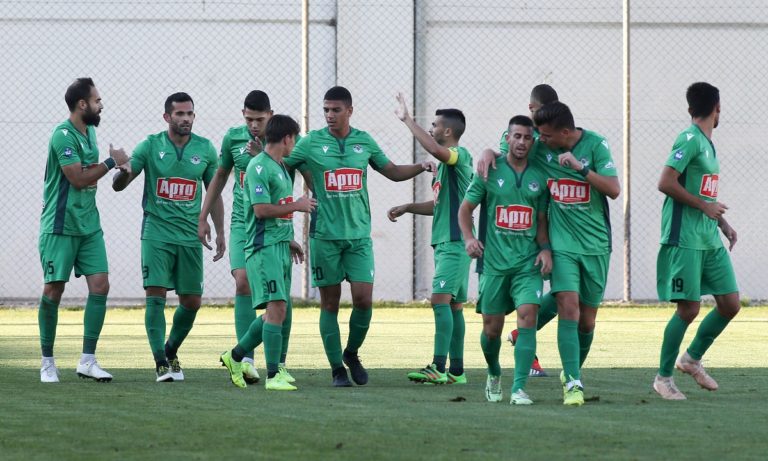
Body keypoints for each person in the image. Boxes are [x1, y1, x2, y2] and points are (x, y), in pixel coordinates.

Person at [284, 86, 434, 387]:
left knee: (364, 300)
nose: (329, 115)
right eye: (326, 110)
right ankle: (336, 370)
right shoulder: (310, 142)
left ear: (349, 111)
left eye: (336, 110)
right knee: (330, 304)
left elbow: (391, 171)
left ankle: (351, 353)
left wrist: (420, 166)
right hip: (324, 236)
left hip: (359, 237)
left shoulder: (363, 141)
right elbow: (282, 167)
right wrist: (287, 203)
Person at [478, 101, 620, 406]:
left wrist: (581, 168)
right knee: (568, 306)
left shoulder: (596, 145)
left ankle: (571, 370)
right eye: (537, 136)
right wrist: (488, 152)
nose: (539, 140)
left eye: (545, 135)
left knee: (587, 322)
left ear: (564, 133)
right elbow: (510, 149)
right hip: (561, 245)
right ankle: (573, 383)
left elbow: (613, 189)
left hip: (596, 245)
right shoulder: (541, 147)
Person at [112, 92, 224, 382]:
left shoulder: (205, 149)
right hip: (156, 233)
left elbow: (214, 193)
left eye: (190, 114)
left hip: (190, 236)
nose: (186, 119)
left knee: (192, 301)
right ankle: (160, 362)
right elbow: (119, 185)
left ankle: (170, 350)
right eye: (180, 114)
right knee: (156, 295)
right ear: (167, 117)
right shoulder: (150, 145)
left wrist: (220, 230)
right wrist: (122, 171)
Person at [199, 90, 295, 385]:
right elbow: (220, 175)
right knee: (242, 282)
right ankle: (247, 362)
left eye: (259, 119)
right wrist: (203, 217)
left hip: (275, 225)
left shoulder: (283, 142)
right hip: (245, 224)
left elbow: (290, 177)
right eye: (249, 119)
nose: (254, 125)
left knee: (281, 298)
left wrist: (264, 158)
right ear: (243, 115)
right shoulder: (233, 139)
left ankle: (277, 363)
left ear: (270, 116)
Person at [652, 82, 740, 400]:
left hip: (708, 237)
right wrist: (704, 207)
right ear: (718, 108)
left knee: (730, 304)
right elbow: (665, 182)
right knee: (688, 309)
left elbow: (704, 192)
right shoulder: (688, 139)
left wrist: (722, 223)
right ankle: (663, 379)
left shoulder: (706, 144)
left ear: (690, 108)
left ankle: (690, 359)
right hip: (685, 238)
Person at [37, 77, 129, 383]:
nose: (101, 104)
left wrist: (117, 167)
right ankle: (47, 362)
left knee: (100, 286)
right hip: (60, 226)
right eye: (97, 100)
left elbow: (90, 172)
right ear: (82, 104)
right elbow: (77, 178)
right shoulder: (62, 135)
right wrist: (112, 161)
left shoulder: (90, 132)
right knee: (54, 290)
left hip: (89, 225)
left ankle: (87, 360)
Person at [459, 115, 551, 404]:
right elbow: (465, 209)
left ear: (533, 141)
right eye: (517, 136)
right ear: (507, 139)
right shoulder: (490, 170)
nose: (522, 142)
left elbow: (540, 220)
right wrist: (469, 239)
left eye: (527, 137)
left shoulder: (539, 177)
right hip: (494, 264)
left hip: (527, 264)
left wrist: (545, 248)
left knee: (528, 315)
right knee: (491, 330)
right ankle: (494, 371)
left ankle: (519, 388)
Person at [219, 115, 314, 390]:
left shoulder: (281, 166)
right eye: (294, 139)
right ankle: (273, 375)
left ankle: (235, 356)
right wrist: (297, 206)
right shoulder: (258, 166)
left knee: (278, 309)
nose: (295, 145)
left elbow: (278, 209)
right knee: (276, 308)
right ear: (287, 138)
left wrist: (289, 239)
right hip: (263, 249)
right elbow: (260, 210)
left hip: (279, 245)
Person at [387, 93, 472, 384]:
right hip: (450, 243)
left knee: (439, 300)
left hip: (454, 243)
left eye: (434, 125)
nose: (431, 128)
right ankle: (456, 371)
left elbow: (436, 150)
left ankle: (438, 366)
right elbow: (439, 206)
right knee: (454, 306)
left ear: (447, 131)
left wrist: (408, 120)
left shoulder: (460, 156)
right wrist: (408, 207)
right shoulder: (446, 167)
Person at [501, 84, 559, 378]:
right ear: (531, 108)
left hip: (554, 223)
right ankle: (528, 358)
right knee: (527, 298)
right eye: (539, 112)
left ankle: (520, 334)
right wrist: (487, 153)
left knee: (563, 293)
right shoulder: (519, 135)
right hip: (522, 228)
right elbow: (502, 161)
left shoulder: (554, 135)